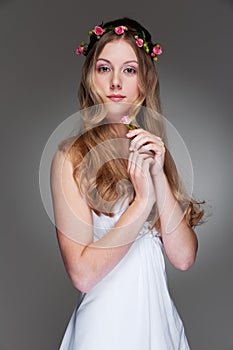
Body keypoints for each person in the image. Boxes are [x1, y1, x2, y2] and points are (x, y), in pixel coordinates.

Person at [50, 17, 204, 350]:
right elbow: (82, 274)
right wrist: (140, 203)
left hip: (160, 326)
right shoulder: (71, 157)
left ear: (144, 83)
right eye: (104, 68)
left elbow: (184, 258)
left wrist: (158, 177)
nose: (116, 82)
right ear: (91, 78)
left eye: (130, 70)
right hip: (105, 331)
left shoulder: (151, 152)